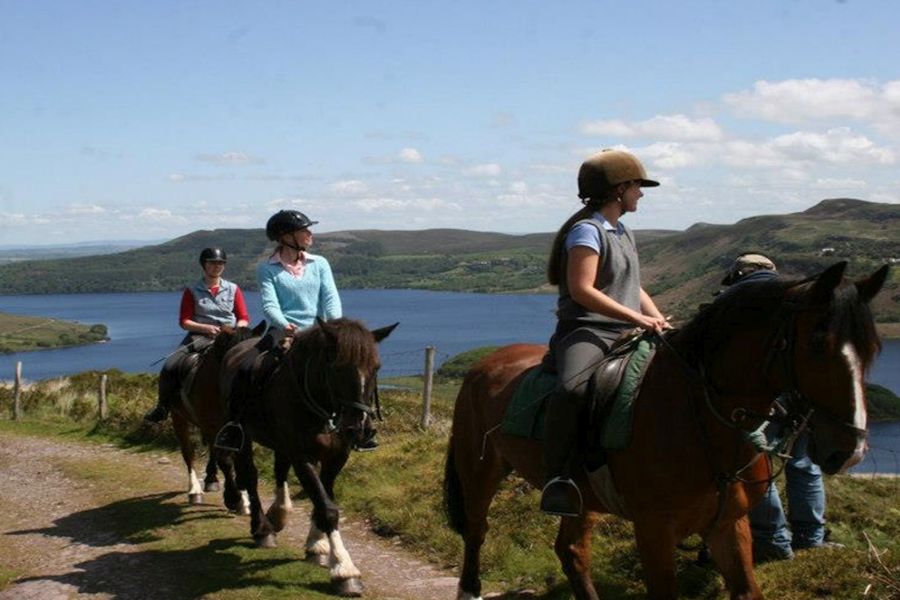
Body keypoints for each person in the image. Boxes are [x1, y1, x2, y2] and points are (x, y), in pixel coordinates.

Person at [540, 149, 671, 517]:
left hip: (627, 329)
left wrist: (657, 319)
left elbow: (633, 285)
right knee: (572, 389)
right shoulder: (587, 231)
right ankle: (558, 478)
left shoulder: (622, 231)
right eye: (636, 187)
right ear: (618, 189)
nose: (640, 194)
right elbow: (582, 290)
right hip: (587, 331)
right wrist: (636, 318)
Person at [214, 210, 378, 451]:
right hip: (284, 331)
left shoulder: (320, 263)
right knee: (248, 368)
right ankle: (235, 427)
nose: (309, 234)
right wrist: (283, 324)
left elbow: (330, 298)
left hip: (320, 332)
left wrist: (335, 328)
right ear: (285, 236)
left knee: (355, 370)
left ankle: (362, 427)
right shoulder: (267, 269)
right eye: (304, 231)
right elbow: (269, 304)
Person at [720, 253, 839, 562]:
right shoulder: (793, 302)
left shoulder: (733, 301)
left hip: (758, 397)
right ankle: (810, 538)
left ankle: (774, 542)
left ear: (738, 276)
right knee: (803, 463)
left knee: (754, 464)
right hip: (800, 395)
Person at [144, 247, 250, 423]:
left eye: (220, 263)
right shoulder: (192, 290)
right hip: (201, 336)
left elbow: (244, 317)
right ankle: (162, 407)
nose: (217, 266)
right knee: (171, 364)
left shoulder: (233, 289)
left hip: (230, 336)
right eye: (213, 263)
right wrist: (205, 328)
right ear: (204, 265)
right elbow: (185, 321)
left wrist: (237, 330)